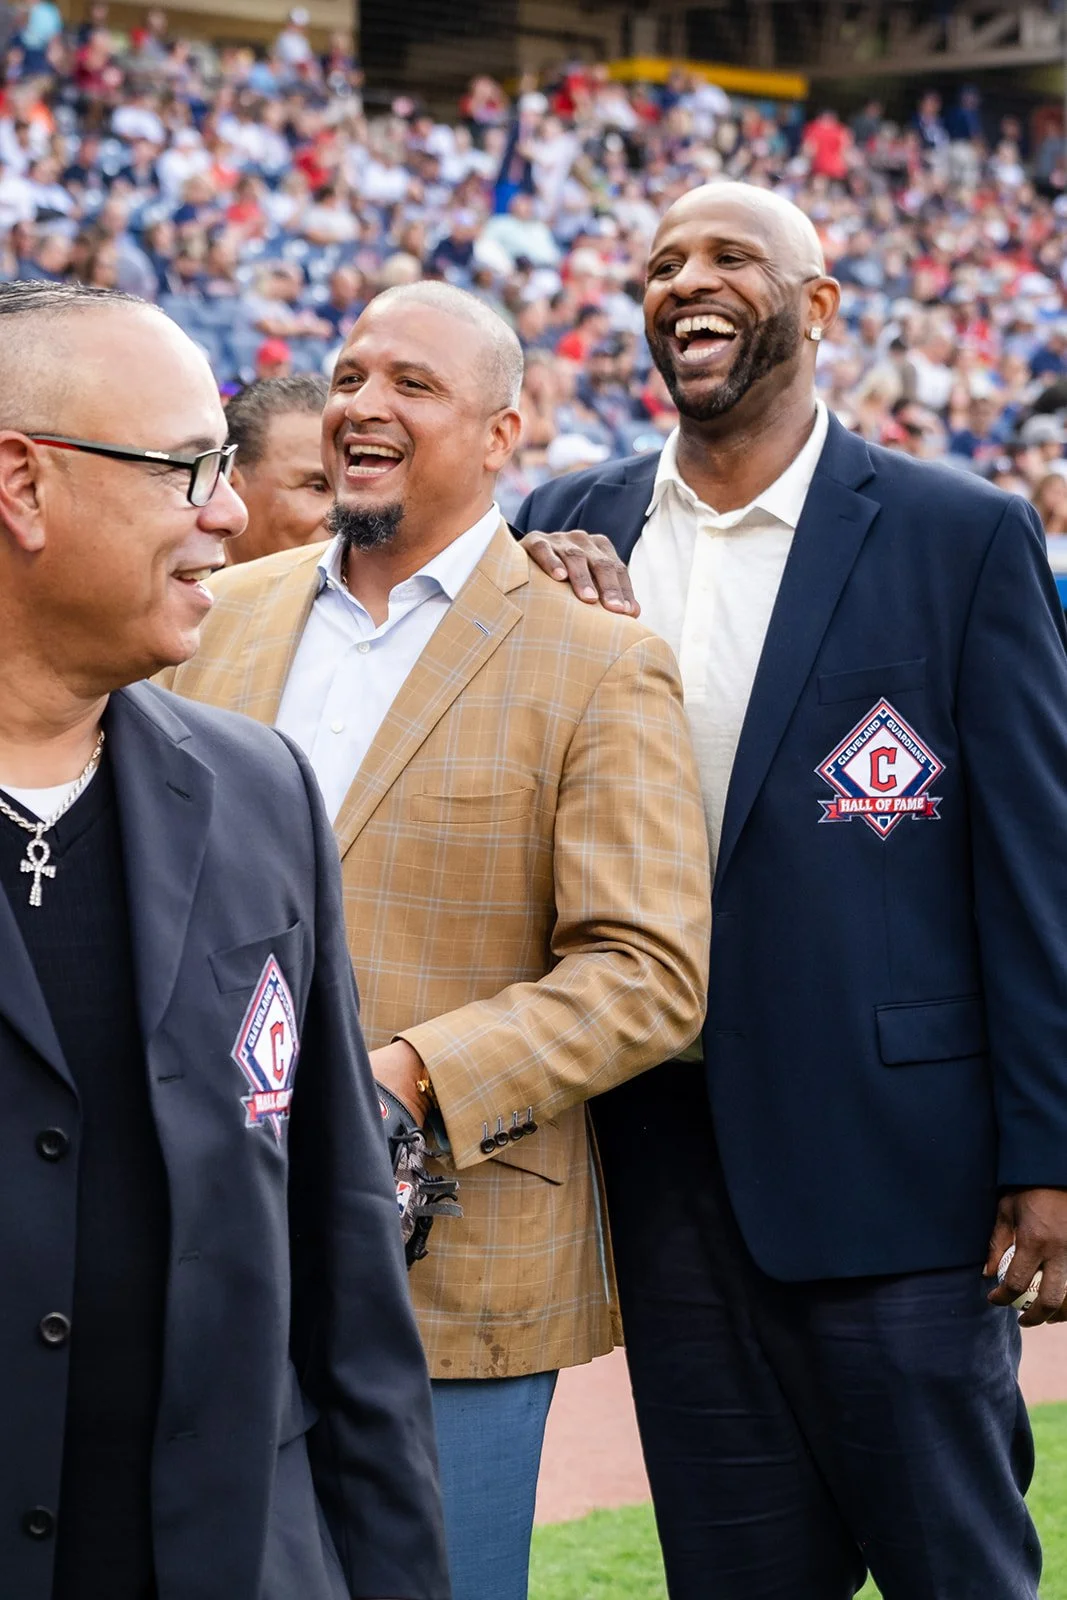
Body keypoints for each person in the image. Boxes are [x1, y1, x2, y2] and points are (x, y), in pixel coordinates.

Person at [514, 181, 1067, 1600]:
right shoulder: (568, 526)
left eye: (726, 259)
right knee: (733, 1573)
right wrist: (514, 582)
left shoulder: (958, 532)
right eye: (659, 264)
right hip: (658, 1159)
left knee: (954, 1566)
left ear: (814, 310)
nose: (683, 282)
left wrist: (1048, 1152)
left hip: (898, 1164)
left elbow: (1030, 865)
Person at [162, 280, 711, 1600]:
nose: (362, 403)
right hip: (198, 1232)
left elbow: (646, 973)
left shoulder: (594, 656)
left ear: (502, 430)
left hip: (450, 1259)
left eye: (411, 384)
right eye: (349, 376)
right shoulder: (218, 615)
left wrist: (404, 1076)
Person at [0, 280, 448, 1600]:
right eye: (187, 466)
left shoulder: (259, 792)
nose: (231, 512)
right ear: (23, 484)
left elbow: (348, 1280)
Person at [225, 374, 331, 563]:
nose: (347, 516)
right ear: (230, 488)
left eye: (354, 488)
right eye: (318, 487)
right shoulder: (162, 590)